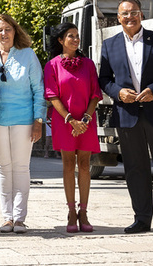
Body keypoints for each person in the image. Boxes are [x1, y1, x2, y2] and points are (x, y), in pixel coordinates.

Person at [99, 0, 153, 236]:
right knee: (135, 169)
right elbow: (104, 80)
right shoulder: (109, 45)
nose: (130, 17)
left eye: (134, 12)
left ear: (141, 15)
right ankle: (142, 219)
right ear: (118, 18)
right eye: (124, 14)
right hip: (127, 115)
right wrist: (118, 93)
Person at [0, 14, 46, 233]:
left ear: (15, 31)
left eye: (8, 29)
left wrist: (38, 120)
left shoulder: (28, 55)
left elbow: (38, 90)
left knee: (21, 167)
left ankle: (20, 218)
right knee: (3, 169)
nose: (4, 33)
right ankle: (7, 218)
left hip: (24, 120)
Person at [44, 22, 101, 233]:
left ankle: (83, 211)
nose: (76, 39)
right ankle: (70, 212)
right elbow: (52, 95)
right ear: (61, 40)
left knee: (85, 164)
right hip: (64, 121)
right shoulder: (52, 65)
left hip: (86, 121)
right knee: (68, 164)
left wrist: (85, 119)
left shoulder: (88, 65)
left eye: (77, 35)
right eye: (70, 36)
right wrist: (70, 120)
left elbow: (96, 94)